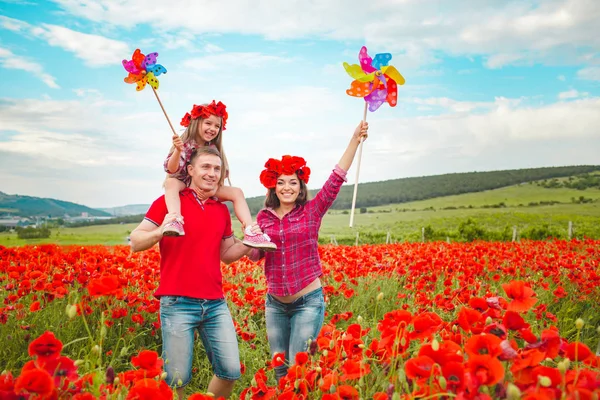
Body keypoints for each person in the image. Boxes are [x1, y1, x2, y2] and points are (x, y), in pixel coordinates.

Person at [130, 146, 258, 399]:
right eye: (206, 167)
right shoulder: (169, 204)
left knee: (230, 371)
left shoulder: (221, 210)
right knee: (177, 378)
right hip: (177, 302)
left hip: (215, 303)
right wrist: (160, 232)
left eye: (217, 169)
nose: (212, 174)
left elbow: (226, 255)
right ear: (190, 170)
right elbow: (135, 241)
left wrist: (250, 242)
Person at [250, 121, 369, 380]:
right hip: (275, 304)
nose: (287, 188)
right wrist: (251, 239)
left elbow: (335, 179)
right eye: (280, 183)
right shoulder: (264, 216)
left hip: (307, 301)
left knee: (296, 368)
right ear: (273, 187)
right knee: (279, 367)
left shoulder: (312, 211)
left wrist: (354, 140)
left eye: (292, 182)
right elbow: (256, 255)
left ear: (300, 185)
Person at [162, 100, 275, 251]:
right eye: (208, 123)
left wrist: (212, 191)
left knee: (237, 192)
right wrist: (177, 150)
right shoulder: (185, 144)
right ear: (196, 123)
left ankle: (251, 231)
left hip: (208, 187)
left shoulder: (214, 149)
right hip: (184, 183)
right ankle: (175, 219)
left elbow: (218, 177)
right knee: (171, 183)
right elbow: (171, 169)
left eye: (217, 126)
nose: (212, 129)